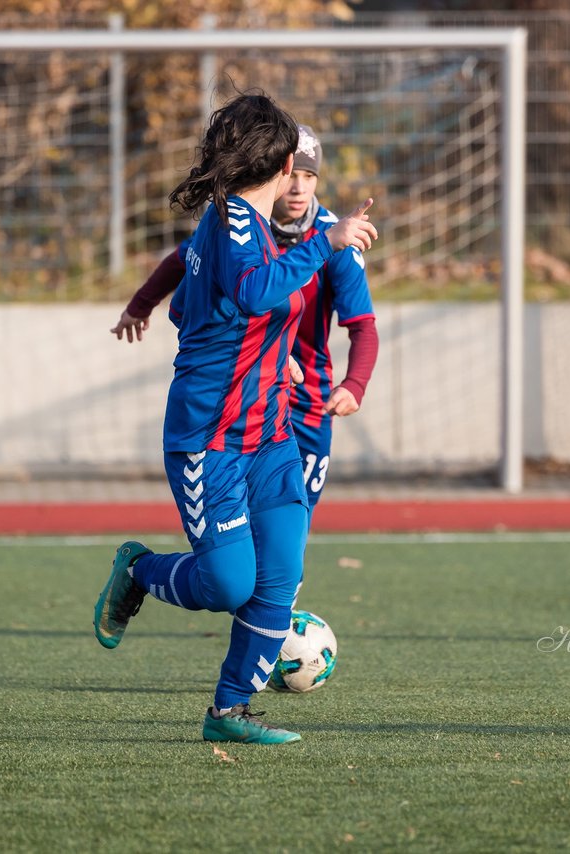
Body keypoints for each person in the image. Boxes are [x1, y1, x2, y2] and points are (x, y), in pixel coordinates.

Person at [93, 92, 378, 744]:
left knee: (281, 572)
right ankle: (137, 570)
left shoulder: (244, 228)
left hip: (271, 432)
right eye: (294, 165)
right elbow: (254, 294)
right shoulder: (231, 225)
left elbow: (215, 309)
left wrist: (276, 363)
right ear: (277, 164)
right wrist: (326, 243)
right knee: (228, 583)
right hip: (209, 439)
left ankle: (228, 711)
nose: (299, 178)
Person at [111, 124, 378, 514]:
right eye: (295, 175)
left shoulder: (334, 238)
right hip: (244, 395)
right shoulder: (242, 226)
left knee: (288, 536)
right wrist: (140, 305)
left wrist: (354, 384)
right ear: (278, 172)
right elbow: (182, 261)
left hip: (305, 404)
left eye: (311, 177)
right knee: (238, 536)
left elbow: (363, 326)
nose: (301, 188)